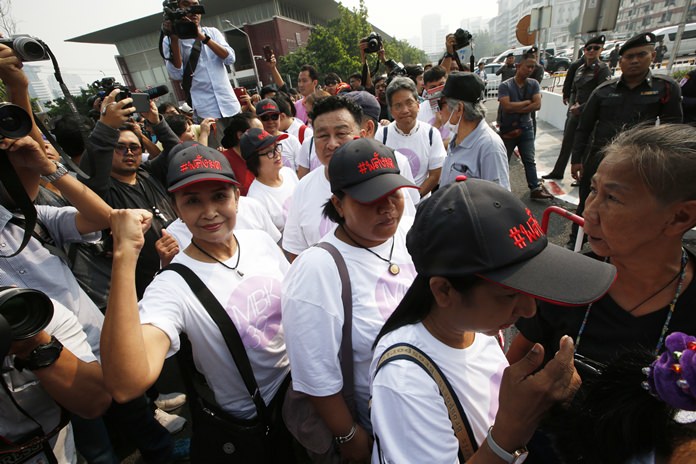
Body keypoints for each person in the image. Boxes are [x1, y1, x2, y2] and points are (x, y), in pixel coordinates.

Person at [370, 177, 616, 463]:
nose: (530, 310)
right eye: (509, 295)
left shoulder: (477, 330)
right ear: (444, 290)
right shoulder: (405, 381)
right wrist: (515, 426)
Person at [101, 143, 294, 463]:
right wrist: (125, 256)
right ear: (176, 207)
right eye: (193, 201)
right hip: (252, 424)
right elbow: (125, 383)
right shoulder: (173, 286)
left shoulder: (258, 241)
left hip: (299, 396)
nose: (209, 212)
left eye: (219, 196)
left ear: (236, 195)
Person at [511, 123, 696, 372]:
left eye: (612, 198)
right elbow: (515, 365)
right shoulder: (563, 281)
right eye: (593, 190)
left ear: (680, 217)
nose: (590, 212)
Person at [282, 138, 419, 462]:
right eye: (371, 199)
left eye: (393, 193)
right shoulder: (317, 270)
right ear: (339, 204)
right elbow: (315, 372)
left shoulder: (404, 236)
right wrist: (350, 435)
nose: (387, 207)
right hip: (373, 428)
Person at [569, 32, 682, 244]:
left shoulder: (664, 87)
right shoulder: (604, 91)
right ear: (620, 61)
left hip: (639, 162)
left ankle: (619, 244)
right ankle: (578, 241)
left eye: (641, 55)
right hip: (600, 159)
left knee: (629, 206)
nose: (635, 61)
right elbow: (583, 128)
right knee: (588, 202)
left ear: (653, 56)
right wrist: (576, 159)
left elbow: (672, 131)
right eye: (629, 57)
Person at [282, 96, 417, 262]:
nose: (332, 144)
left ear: (361, 134)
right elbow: (296, 250)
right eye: (323, 135)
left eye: (341, 133)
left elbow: (409, 231)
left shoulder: (388, 171)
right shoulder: (303, 187)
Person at [161, 0, 241, 143]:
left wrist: (203, 38)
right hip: (206, 113)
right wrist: (174, 39)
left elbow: (230, 58)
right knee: (218, 158)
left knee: (243, 151)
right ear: (176, 8)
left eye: (196, 4)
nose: (193, 10)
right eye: (186, 5)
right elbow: (176, 74)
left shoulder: (212, 32)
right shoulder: (170, 40)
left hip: (231, 105)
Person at [543, 35, 610, 181]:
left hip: (590, 114)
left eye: (596, 48)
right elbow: (574, 88)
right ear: (584, 50)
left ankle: (582, 178)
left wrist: (583, 108)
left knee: (586, 146)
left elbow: (602, 94)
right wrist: (572, 103)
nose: (592, 51)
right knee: (567, 142)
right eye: (588, 48)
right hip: (575, 112)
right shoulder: (579, 68)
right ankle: (558, 171)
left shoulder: (603, 69)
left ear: (601, 50)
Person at [376, 77, 446, 198]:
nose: (405, 110)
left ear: (418, 105)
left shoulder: (431, 134)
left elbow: (435, 175)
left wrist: (414, 199)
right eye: (398, 106)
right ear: (391, 111)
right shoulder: (382, 135)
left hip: (422, 205)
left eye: (409, 103)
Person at [438, 72, 509, 189]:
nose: (438, 111)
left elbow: (499, 200)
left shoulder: (490, 147)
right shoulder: (456, 139)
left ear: (459, 109)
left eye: (440, 104)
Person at [498, 51, 553, 200]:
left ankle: (535, 188)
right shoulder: (505, 85)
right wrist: (527, 103)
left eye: (532, 67)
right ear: (518, 65)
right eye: (527, 66)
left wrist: (519, 106)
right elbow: (507, 107)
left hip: (526, 128)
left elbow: (537, 105)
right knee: (502, 161)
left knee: (529, 159)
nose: (530, 70)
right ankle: (499, 190)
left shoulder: (533, 84)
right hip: (508, 129)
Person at [241, 128, 299, 233]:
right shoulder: (256, 199)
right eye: (269, 152)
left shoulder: (288, 173)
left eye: (277, 147)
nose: (277, 154)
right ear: (254, 161)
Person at [219, 112, 263, 196]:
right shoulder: (223, 161)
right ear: (240, 135)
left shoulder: (264, 157)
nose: (263, 136)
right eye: (257, 132)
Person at [255, 98, 302, 172]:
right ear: (258, 119)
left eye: (274, 116)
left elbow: (301, 169)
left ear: (280, 117)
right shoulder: (255, 144)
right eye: (265, 117)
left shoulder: (291, 140)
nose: (270, 121)